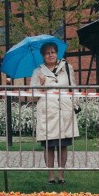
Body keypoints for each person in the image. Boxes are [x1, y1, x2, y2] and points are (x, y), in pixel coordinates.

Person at [31, 42, 79, 184]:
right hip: (48, 111)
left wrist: (74, 104)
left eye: (53, 52)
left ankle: (61, 175)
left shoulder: (67, 68)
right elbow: (32, 95)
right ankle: (51, 175)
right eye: (47, 53)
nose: (50, 55)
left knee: (63, 144)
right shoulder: (37, 71)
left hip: (64, 109)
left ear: (57, 53)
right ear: (43, 56)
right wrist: (41, 83)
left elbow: (74, 87)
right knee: (49, 145)